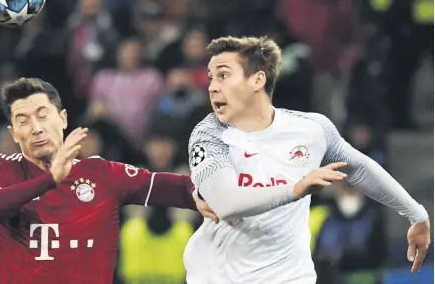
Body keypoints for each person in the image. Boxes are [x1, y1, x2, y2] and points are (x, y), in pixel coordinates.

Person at [185, 36, 431, 284]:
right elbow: (226, 202)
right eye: (211, 78)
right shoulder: (209, 134)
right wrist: (295, 189)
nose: (212, 87)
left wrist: (415, 215)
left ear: (257, 80)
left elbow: (360, 168)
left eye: (223, 76)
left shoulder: (311, 129)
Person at [0, 77, 199, 284]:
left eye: (43, 116)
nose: (36, 128)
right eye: (23, 121)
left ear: (63, 119)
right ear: (14, 133)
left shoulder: (99, 173)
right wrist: (49, 180)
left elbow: (177, 188)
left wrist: (213, 195)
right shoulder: (0, 169)